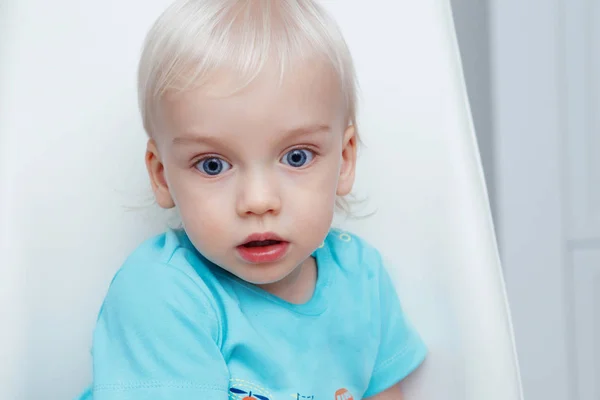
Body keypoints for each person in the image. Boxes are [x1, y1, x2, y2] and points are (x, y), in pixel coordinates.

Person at [77, 1, 427, 399]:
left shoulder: (361, 279)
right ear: (162, 176)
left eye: (297, 156)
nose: (258, 201)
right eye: (212, 165)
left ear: (345, 159)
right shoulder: (162, 295)